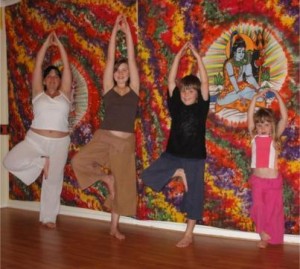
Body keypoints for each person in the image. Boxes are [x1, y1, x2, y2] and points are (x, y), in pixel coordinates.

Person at [71, 15, 139, 240]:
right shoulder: (108, 88)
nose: (121, 72)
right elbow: (110, 58)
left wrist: (127, 31)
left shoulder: (135, 90)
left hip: (124, 144)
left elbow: (131, 57)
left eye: (124, 70)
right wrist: (113, 32)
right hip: (104, 137)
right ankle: (104, 178)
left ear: (129, 74)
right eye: (118, 70)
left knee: (123, 186)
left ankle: (113, 227)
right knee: (78, 161)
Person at [141, 42, 210, 248]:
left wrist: (197, 57)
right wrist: (178, 55)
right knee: (148, 176)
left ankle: (188, 234)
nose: (186, 94)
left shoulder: (201, 108)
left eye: (191, 91)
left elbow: (205, 84)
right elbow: (171, 80)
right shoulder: (176, 105)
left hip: (195, 157)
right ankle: (179, 172)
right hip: (173, 155)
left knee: (195, 197)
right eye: (184, 91)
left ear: (197, 95)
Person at [3, 31, 72, 229]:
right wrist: (45, 44)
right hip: (36, 140)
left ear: (60, 81)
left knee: (54, 181)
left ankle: (48, 218)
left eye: (55, 76)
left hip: (60, 143)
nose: (52, 78)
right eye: (49, 76)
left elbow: (66, 68)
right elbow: (37, 66)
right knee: (9, 161)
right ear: (43, 81)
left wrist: (59, 46)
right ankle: (42, 163)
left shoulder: (65, 95)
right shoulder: (37, 94)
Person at [247, 88, 288, 248]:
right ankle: (263, 235)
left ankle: (273, 237)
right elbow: (249, 117)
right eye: (259, 124)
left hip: (273, 181)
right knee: (259, 208)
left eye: (266, 124)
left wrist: (277, 95)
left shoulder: (275, 137)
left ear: (272, 125)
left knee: (273, 210)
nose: (262, 127)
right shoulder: (254, 137)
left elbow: (284, 117)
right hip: (258, 180)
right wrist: (255, 98)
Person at [216, 31, 260, 113]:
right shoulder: (229, 63)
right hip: (231, 89)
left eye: (243, 52)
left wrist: (258, 88)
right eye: (239, 52)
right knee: (220, 101)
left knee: (260, 98)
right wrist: (239, 95)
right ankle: (241, 100)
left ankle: (244, 99)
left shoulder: (246, 61)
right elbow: (232, 80)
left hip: (243, 87)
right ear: (234, 52)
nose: (241, 54)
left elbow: (250, 77)